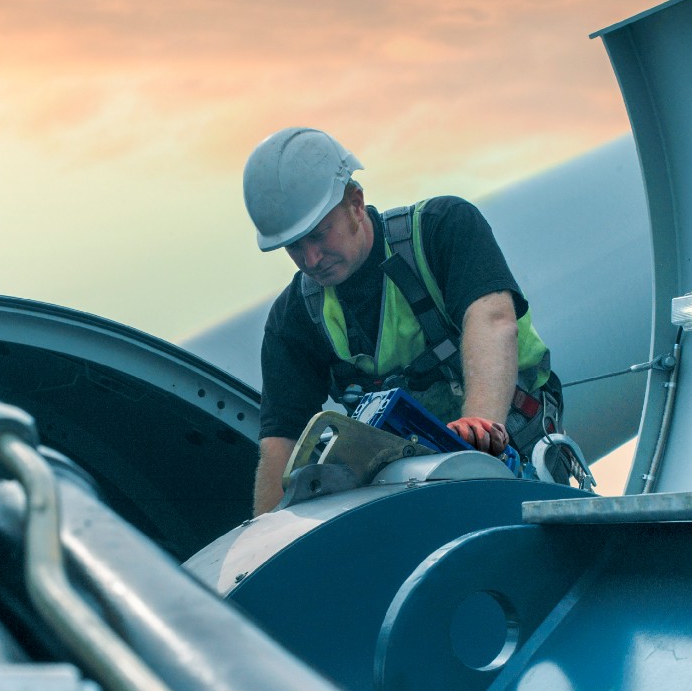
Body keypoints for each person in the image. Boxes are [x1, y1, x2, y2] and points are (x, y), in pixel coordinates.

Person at [242, 127, 564, 515]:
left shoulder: (443, 228)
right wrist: (265, 537)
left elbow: (493, 322)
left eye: (319, 235)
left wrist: (477, 438)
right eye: (295, 246)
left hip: (516, 457)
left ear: (356, 204)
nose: (311, 259)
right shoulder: (293, 318)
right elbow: (282, 440)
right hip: (409, 488)